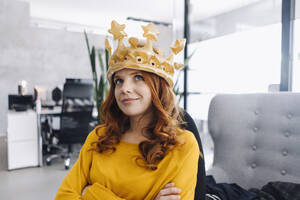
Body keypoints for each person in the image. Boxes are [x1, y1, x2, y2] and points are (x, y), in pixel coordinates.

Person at [55, 20, 203, 200]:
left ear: (157, 87)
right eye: (119, 80)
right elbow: (63, 196)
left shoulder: (183, 145)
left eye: (138, 77)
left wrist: (92, 193)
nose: (125, 88)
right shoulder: (98, 137)